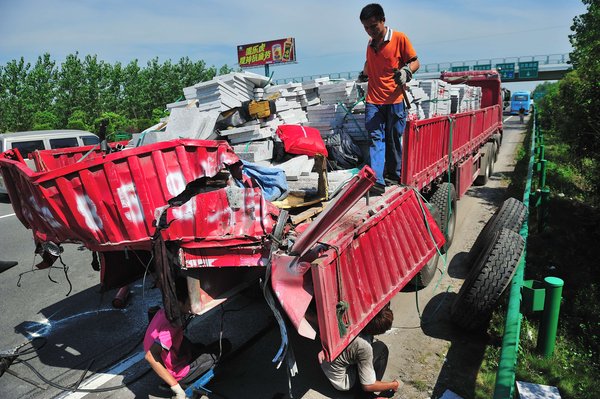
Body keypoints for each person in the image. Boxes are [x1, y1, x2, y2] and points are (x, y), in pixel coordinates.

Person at [359, 3, 420, 196]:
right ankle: (377, 180)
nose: (370, 31)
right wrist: (363, 74)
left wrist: (406, 71)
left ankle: (393, 175)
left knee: (393, 140)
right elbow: (370, 64)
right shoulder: (370, 44)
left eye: (373, 26)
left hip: (394, 100)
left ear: (383, 21)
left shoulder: (399, 38)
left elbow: (415, 61)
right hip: (373, 101)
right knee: (375, 138)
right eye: (366, 28)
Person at [144, 278, 229, 399]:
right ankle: (181, 380)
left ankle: (187, 362)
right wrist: (176, 388)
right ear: (179, 302)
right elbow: (150, 356)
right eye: (190, 302)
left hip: (171, 359)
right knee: (223, 347)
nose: (194, 305)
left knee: (198, 347)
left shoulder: (164, 312)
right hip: (177, 373)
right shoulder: (171, 325)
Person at [320, 304, 401, 398]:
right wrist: (393, 384)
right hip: (342, 383)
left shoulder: (351, 319)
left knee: (374, 349)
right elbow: (368, 386)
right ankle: (365, 396)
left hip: (329, 368)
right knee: (381, 349)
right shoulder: (363, 346)